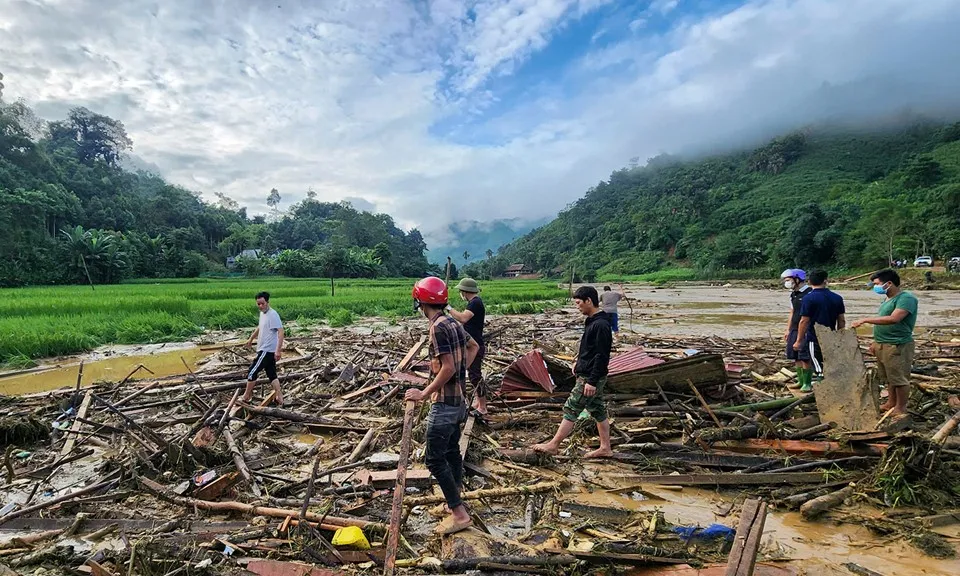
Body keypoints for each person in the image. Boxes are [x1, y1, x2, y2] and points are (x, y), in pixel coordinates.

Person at [404, 276, 479, 535]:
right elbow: (474, 346)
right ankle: (454, 500)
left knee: (434, 459)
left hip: (445, 404)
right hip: (460, 400)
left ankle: (459, 514)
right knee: (451, 453)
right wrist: (461, 371)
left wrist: (423, 393)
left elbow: (446, 367)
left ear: (421, 302)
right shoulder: (452, 321)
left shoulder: (437, 327)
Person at [532, 286, 613, 459]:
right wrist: (578, 361)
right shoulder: (591, 321)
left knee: (572, 407)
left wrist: (591, 381)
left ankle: (553, 445)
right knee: (597, 409)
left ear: (589, 301)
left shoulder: (601, 325)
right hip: (587, 372)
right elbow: (588, 348)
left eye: (578, 303)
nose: (578, 307)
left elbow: (602, 355)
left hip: (590, 377)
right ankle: (605, 447)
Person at [851, 269, 919, 416]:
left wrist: (865, 319)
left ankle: (901, 407)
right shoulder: (887, 298)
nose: (875, 287)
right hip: (883, 343)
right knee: (889, 377)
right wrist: (875, 342)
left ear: (888, 283)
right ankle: (891, 403)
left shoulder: (906, 298)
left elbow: (894, 318)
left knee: (899, 378)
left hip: (897, 344)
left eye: (877, 284)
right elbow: (882, 321)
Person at [793, 269, 846, 392]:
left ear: (810, 281)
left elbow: (804, 321)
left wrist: (799, 340)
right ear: (826, 281)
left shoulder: (809, 298)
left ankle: (821, 387)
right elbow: (841, 320)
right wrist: (840, 335)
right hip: (831, 334)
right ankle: (831, 386)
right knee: (829, 360)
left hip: (814, 336)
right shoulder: (837, 298)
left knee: (816, 362)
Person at [445, 278, 487, 416]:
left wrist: (449, 308)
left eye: (460, 291)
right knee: (472, 373)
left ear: (464, 291)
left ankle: (483, 407)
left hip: (476, 345)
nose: (460, 294)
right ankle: (478, 402)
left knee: (475, 376)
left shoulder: (475, 303)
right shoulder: (473, 303)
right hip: (471, 345)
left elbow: (463, 318)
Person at [242, 291, 284, 405]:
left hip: (267, 350)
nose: (260, 306)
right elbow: (260, 327)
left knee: (252, 372)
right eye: (258, 304)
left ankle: (246, 396)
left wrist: (278, 350)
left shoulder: (273, 314)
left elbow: (281, 332)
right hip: (264, 349)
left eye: (262, 303)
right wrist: (251, 339)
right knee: (271, 374)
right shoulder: (263, 314)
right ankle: (279, 396)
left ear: (267, 302)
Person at [781, 269, 813, 391]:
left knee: (804, 356)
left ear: (797, 279)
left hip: (805, 329)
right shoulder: (794, 294)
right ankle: (800, 381)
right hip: (794, 328)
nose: (786, 282)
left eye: (788, 280)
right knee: (795, 356)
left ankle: (807, 383)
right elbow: (792, 312)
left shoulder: (809, 294)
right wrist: (787, 330)